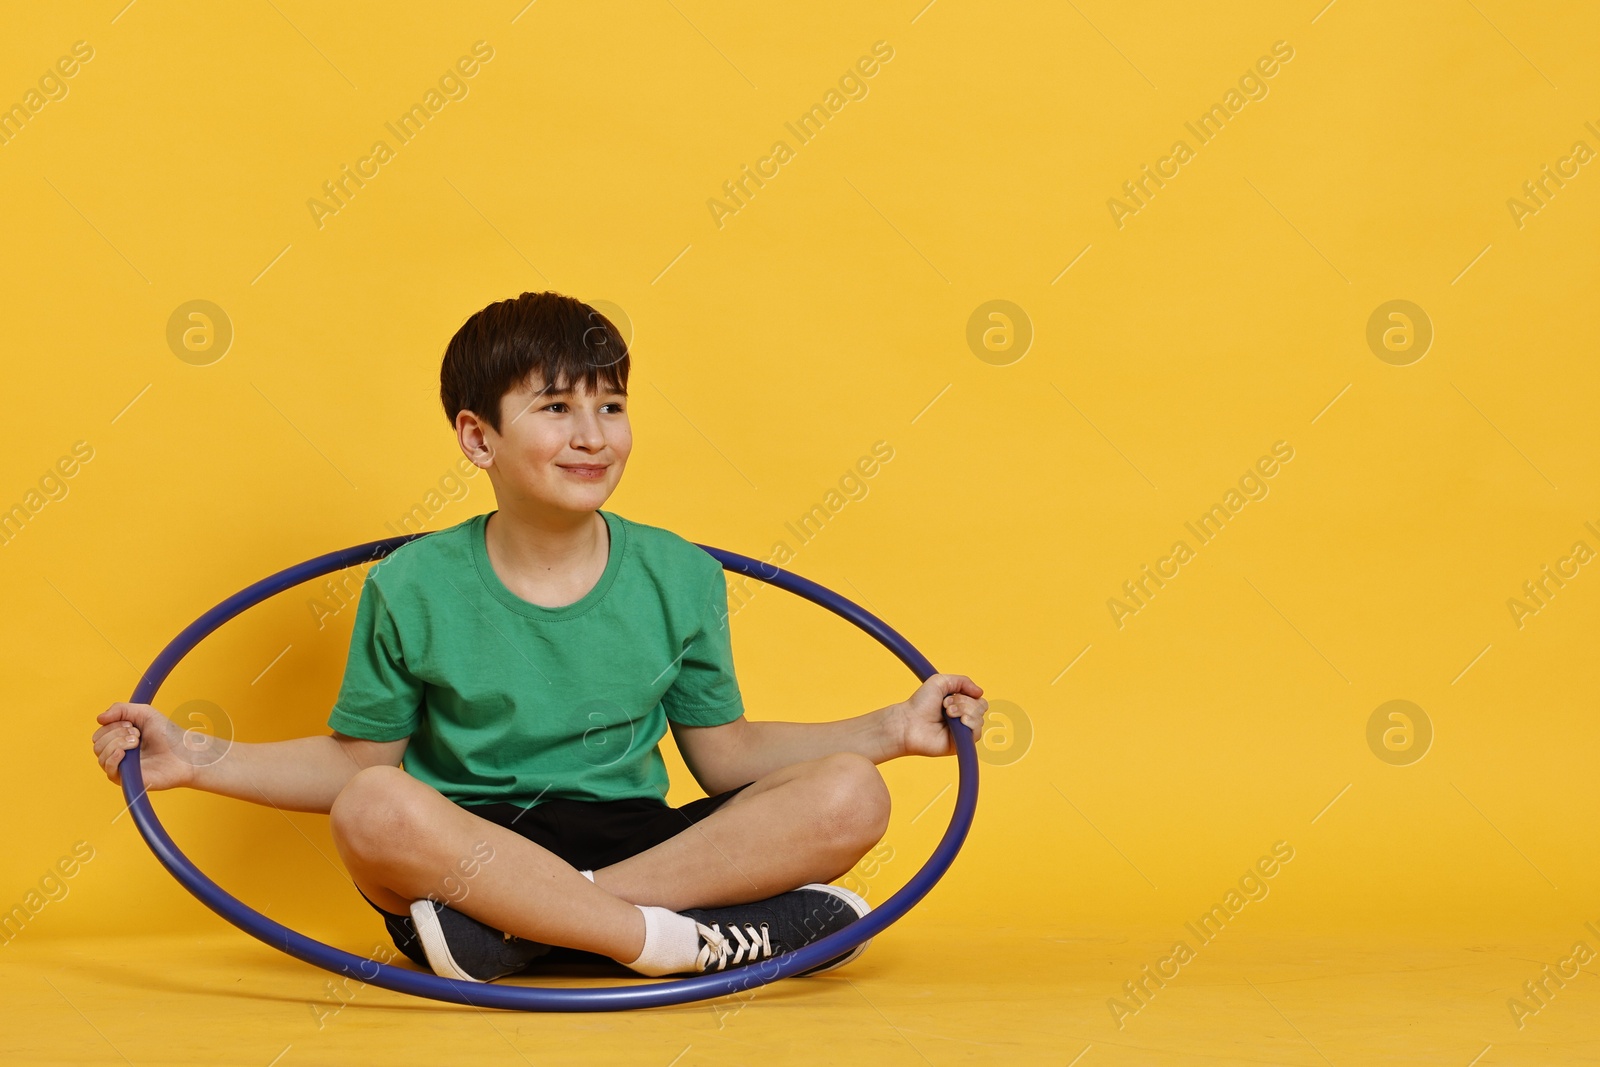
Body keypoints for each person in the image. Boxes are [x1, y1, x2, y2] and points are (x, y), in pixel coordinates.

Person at [91, 290, 988, 983]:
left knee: (852, 796)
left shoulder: (679, 575)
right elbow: (356, 763)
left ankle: (551, 926)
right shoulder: (411, 586)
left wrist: (887, 731)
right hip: (473, 851)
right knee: (372, 806)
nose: (592, 435)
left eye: (611, 405)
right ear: (478, 438)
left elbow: (725, 755)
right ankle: (672, 942)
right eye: (556, 408)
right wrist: (196, 757)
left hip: (636, 847)